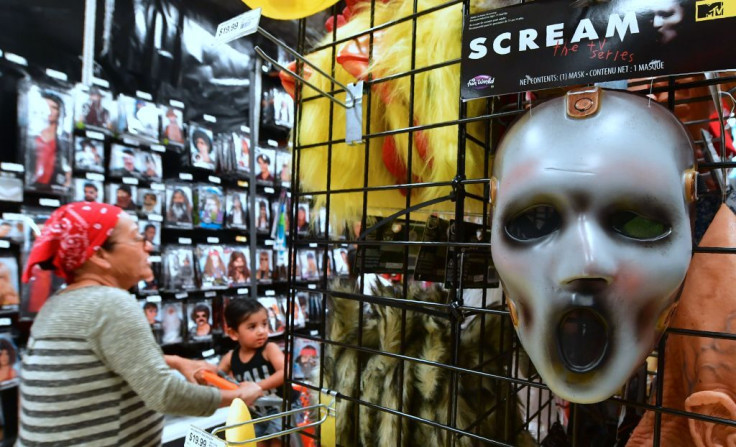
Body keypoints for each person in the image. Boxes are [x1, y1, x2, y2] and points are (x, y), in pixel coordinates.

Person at [19, 202, 262, 446]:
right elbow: (165, 394)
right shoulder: (110, 302)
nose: (148, 246)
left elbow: (97, 359)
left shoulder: (58, 303)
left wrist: (176, 362)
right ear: (99, 254)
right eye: (137, 238)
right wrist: (238, 395)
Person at [217, 299, 296, 446]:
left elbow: (285, 372)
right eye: (252, 327)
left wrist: (257, 386)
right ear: (233, 333)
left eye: (264, 324)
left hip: (283, 408)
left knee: (276, 442)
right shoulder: (230, 358)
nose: (261, 331)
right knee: (254, 442)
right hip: (256, 413)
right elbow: (217, 376)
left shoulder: (269, 349)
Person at [29, 91, 71, 189]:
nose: (49, 111)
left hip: (55, 189)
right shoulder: (31, 137)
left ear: (60, 112)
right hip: (31, 188)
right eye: (45, 106)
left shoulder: (65, 141)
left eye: (54, 107)